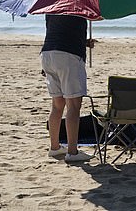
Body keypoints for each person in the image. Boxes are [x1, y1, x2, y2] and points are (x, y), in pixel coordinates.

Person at [41, 14, 94, 162]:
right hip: (68, 56)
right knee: (73, 106)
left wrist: (83, 42)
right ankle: (72, 152)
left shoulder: (53, 6)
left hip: (48, 52)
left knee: (57, 105)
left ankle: (55, 147)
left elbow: (60, 31)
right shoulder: (79, 6)